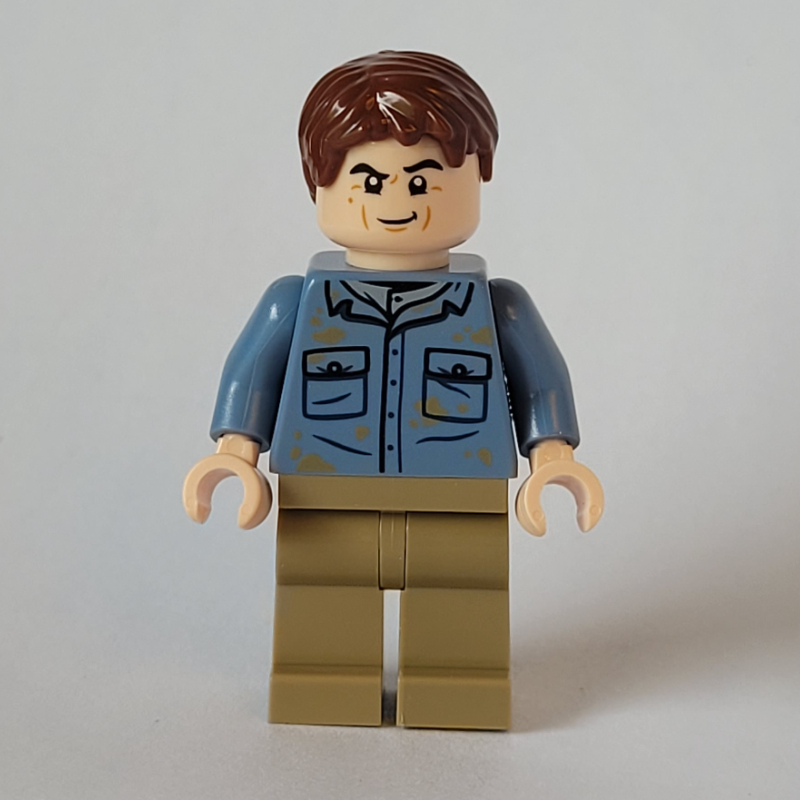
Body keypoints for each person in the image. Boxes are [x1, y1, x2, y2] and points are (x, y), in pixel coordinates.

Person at [183, 50, 604, 730]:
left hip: (459, 489)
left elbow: (541, 381)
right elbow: (250, 371)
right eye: (369, 180)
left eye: (424, 179)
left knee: (460, 594)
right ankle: (322, 682)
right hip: (325, 489)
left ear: (478, 177)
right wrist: (235, 453)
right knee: (321, 594)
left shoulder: (497, 306)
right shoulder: (297, 300)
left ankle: (456, 686)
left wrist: (553, 459)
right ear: (318, 183)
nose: (398, 202)